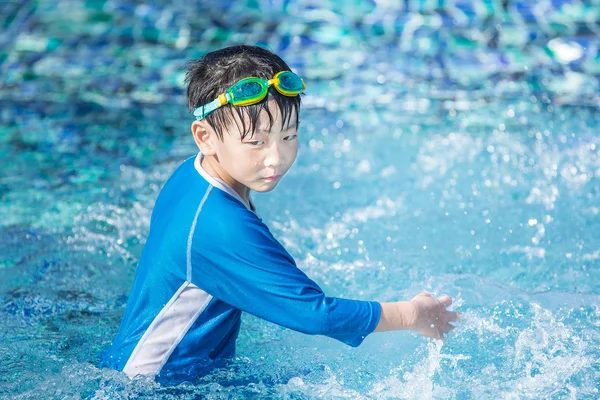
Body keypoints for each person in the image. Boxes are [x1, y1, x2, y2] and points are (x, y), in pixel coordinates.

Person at [99, 45, 458, 384]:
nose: (276, 158)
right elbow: (315, 313)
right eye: (256, 142)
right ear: (205, 137)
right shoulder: (217, 226)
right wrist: (414, 315)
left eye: (288, 136)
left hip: (149, 371)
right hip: (154, 386)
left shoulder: (193, 175)